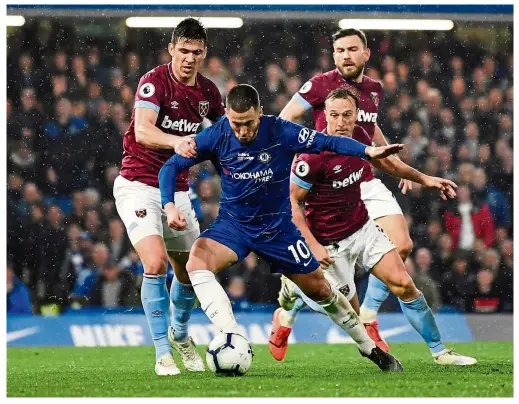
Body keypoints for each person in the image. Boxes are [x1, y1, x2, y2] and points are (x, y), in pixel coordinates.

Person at [160, 84, 405, 372]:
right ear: (226, 116)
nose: (242, 131)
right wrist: (168, 205)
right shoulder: (216, 134)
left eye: (249, 123)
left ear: (260, 113)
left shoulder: (281, 131)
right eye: (236, 124)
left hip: (278, 228)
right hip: (234, 225)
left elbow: (329, 142)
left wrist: (367, 150)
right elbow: (171, 167)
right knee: (197, 260)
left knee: (321, 290)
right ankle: (233, 334)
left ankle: (369, 348)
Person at [269, 88, 476, 366]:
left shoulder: (361, 138)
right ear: (323, 117)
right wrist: (313, 245)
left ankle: (441, 352)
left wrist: (426, 179)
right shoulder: (311, 155)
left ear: (357, 116)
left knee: (404, 284)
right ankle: (294, 293)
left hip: (363, 228)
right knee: (346, 314)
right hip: (330, 245)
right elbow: (292, 204)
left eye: (346, 115)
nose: (340, 122)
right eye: (334, 115)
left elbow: (388, 163)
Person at [277, 28, 417, 349]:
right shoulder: (319, 85)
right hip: (327, 182)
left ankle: (368, 318)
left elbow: (369, 125)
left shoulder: (374, 88)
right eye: (340, 50)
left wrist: (391, 158)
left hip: (363, 175)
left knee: (403, 245)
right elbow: (285, 120)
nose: (346, 56)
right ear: (334, 54)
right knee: (332, 277)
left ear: (365, 54)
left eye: (352, 49)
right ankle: (291, 301)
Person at [112, 18, 225, 376]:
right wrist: (176, 140)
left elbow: (226, 136)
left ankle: (180, 336)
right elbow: (144, 130)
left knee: (191, 270)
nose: (189, 58)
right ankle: (163, 353)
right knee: (155, 263)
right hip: (137, 185)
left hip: (176, 190)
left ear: (204, 53)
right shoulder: (154, 82)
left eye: (196, 52)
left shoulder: (208, 93)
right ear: (171, 49)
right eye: (183, 51)